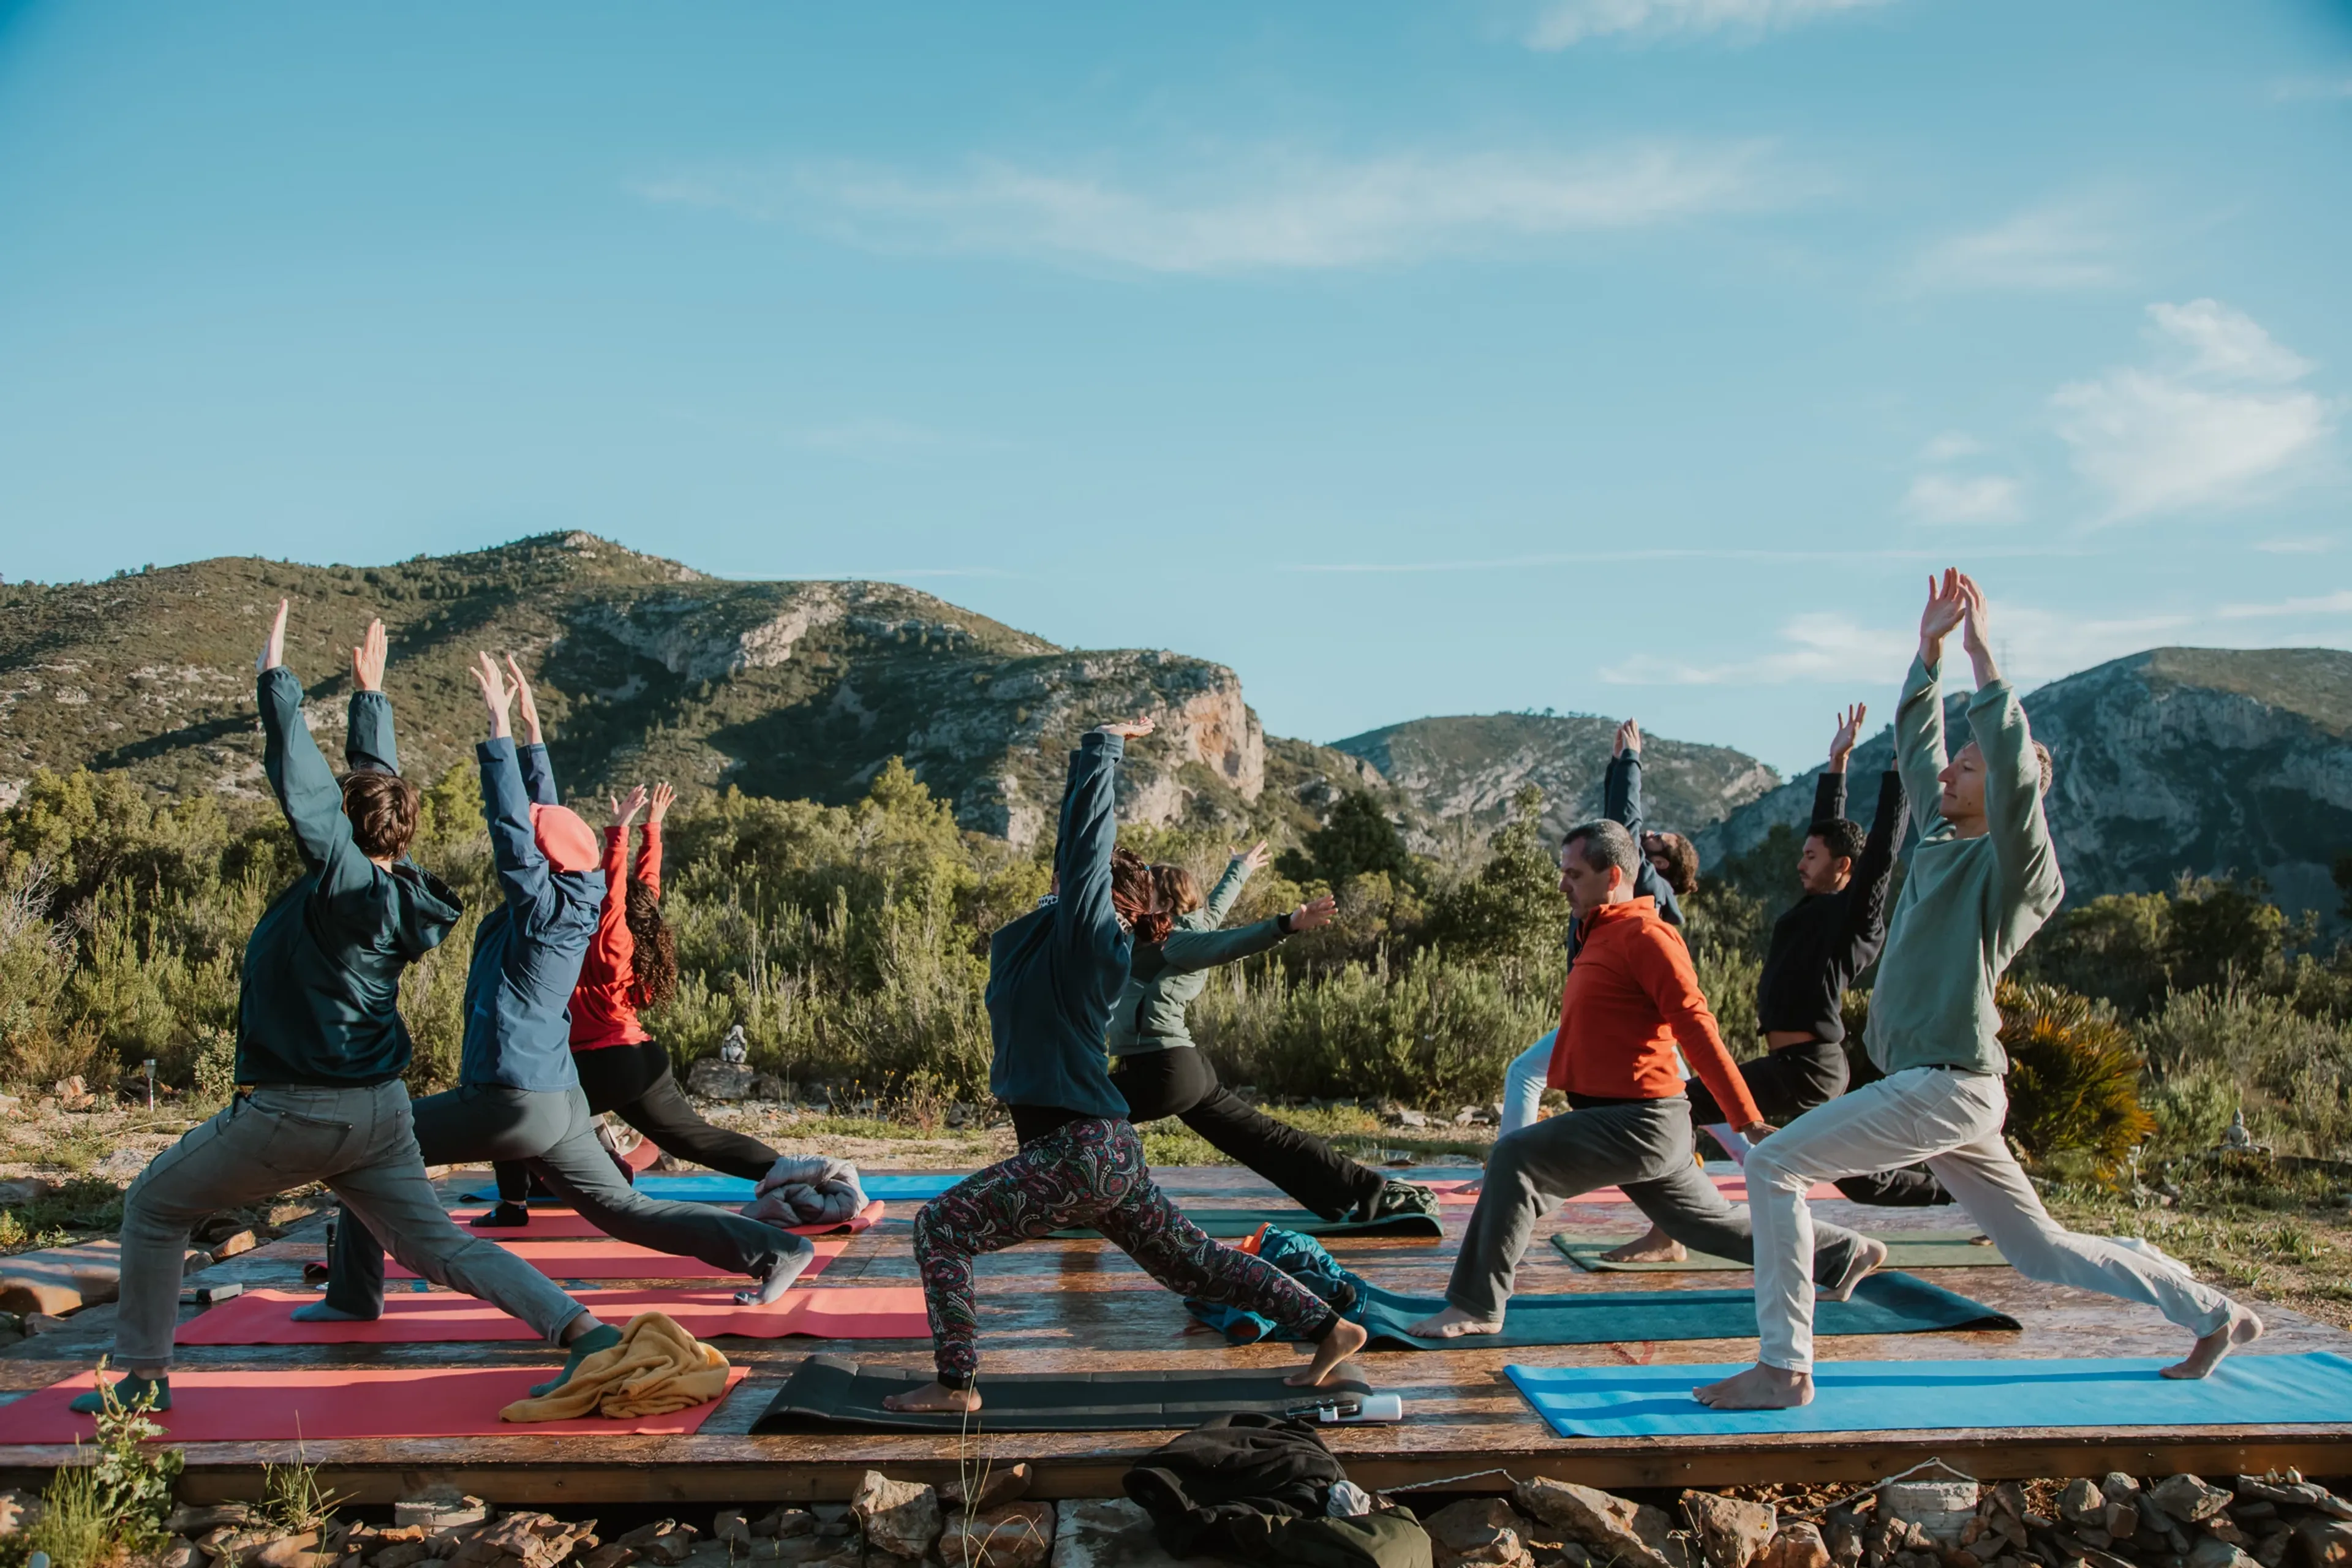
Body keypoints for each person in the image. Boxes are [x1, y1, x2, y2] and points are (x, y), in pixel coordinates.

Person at [1695, 571, 2261, 1411]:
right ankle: (2213, 1314)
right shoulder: (1937, 843)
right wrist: (1926, 655)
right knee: (2039, 1249)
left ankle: (1785, 1367)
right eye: (1956, 767)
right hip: (1944, 1090)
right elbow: (1917, 743)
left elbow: (2010, 770)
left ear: (2003, 789)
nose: (1952, 776)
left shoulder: (2018, 873)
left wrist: (1982, 655)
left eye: (1971, 768)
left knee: (1774, 1165)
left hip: (1946, 1083)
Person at [73, 606, 612, 1412]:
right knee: (436, 1245)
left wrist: (276, 687)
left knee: (154, 1204)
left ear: (344, 836)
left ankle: (142, 1379)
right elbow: (366, 806)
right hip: (378, 1112)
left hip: (297, 1113)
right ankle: (583, 1333)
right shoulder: (393, 885)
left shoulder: (345, 885)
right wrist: (371, 700)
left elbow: (309, 796)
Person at [312, 654, 814, 1361]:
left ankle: (353, 1296)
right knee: (627, 1210)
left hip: (507, 1097)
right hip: (554, 1098)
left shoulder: (543, 909)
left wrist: (493, 726)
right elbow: (539, 811)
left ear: (540, 863)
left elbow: (512, 827)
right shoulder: (572, 895)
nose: (522, 839)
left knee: (367, 1146)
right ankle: (775, 1248)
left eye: (530, 843)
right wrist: (530, 725)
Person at [883, 720, 1370, 1414]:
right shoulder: (1047, 945)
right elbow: (1072, 880)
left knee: (940, 1228)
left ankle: (955, 1385)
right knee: (1194, 1264)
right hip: (1100, 1149)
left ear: (1089, 892)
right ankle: (1331, 1325)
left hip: (1074, 1151)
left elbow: (1084, 846)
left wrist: (1102, 747)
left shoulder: (1090, 939)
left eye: (1071, 877)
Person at [1404, 818, 1885, 1340]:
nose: (1563, 883)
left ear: (1612, 876)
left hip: (1641, 1123)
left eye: (1573, 873)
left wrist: (1746, 1118)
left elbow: (1698, 1031)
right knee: (1707, 1226)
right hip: (1633, 1123)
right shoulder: (1599, 931)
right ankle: (1841, 1252)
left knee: (1516, 1158)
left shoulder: (1649, 936)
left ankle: (1477, 1305)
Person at [1603, 704, 1936, 1262]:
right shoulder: (1815, 905)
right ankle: (1670, 1231)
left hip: (1811, 1068)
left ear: (1844, 868)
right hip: (1794, 1066)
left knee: (1678, 1109)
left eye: (1813, 857)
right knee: (1858, 1178)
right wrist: (1837, 764)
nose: (1801, 862)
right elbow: (1830, 829)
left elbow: (1880, 849)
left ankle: (1954, 1189)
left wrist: (1901, 770)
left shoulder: (1858, 918)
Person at [474, 780, 789, 1228]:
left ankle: (513, 1206)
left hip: (604, 1061)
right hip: (639, 1058)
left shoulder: (606, 942)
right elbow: (646, 887)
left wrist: (617, 832)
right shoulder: (638, 936)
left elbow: (614, 893)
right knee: (693, 1140)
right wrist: (653, 829)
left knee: (512, 1097)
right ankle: (794, 1174)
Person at [1106, 842, 1438, 1224]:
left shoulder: (1178, 944)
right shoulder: (1177, 933)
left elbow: (1229, 943)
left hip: (1161, 1068)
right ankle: (1361, 1185)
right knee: (1263, 1139)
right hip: (1181, 1068)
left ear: (1163, 903)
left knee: (1074, 1114)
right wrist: (1239, 869)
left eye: (1142, 892)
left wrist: (1286, 925)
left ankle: (1080, 1201)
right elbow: (1214, 913)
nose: (1133, 899)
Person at [1497, 720, 1686, 1138]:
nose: (1649, 834)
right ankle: (1746, 1151)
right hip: (1613, 1013)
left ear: (1662, 864)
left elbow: (1623, 825)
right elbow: (1612, 828)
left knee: (1525, 1072)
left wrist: (1630, 764)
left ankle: (1508, 1161)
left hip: (1614, 1013)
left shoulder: (1646, 884)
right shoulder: (1628, 887)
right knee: (1681, 1081)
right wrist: (1615, 768)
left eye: (1659, 840)